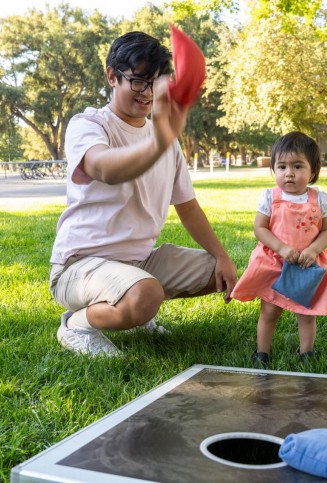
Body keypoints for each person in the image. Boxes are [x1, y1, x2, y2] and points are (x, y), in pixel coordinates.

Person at [49, 31, 237, 357]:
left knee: (217, 274)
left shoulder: (164, 139)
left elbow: (188, 206)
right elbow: (104, 167)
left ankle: (135, 304)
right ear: (112, 76)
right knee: (146, 294)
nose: (147, 93)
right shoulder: (90, 125)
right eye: (138, 81)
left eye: (155, 83)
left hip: (140, 262)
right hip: (79, 267)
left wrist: (221, 256)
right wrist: (159, 142)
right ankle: (77, 324)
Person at [231, 132, 327, 368]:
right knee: (269, 310)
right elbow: (260, 228)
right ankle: (262, 352)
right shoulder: (271, 197)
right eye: (281, 166)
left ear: (312, 171)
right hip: (275, 263)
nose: (289, 173)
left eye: (297, 166)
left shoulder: (318, 198)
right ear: (273, 169)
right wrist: (280, 247)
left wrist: (313, 250)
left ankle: (307, 352)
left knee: (306, 313)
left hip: (306, 265)